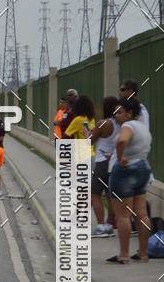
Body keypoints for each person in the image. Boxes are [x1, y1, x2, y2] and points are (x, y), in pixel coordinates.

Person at [107, 97, 152, 263]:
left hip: (126, 170)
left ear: (130, 113)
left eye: (120, 112)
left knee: (123, 215)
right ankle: (142, 251)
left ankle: (124, 254)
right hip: (143, 168)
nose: (117, 116)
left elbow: (122, 140)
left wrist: (120, 158)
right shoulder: (143, 128)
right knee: (141, 213)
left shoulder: (128, 126)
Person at [89, 96, 118, 237]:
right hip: (113, 162)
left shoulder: (102, 123)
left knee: (95, 193)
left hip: (101, 161)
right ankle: (109, 224)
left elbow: (90, 141)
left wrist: (87, 134)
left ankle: (100, 226)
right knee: (109, 194)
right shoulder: (120, 124)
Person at [64, 94, 96, 160]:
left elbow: (66, 135)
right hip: (91, 155)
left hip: (81, 157)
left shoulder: (78, 119)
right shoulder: (92, 119)